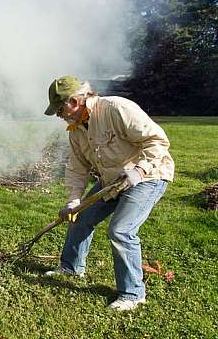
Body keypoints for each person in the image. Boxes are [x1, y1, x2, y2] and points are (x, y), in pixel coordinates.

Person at [43, 75, 174, 311]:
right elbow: (77, 168)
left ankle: (133, 294)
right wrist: (74, 200)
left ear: (74, 101)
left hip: (149, 176)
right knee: (81, 217)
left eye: (60, 109)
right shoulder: (76, 130)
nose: (58, 115)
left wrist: (141, 169)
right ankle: (71, 267)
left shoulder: (116, 108)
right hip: (112, 180)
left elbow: (157, 141)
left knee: (121, 230)